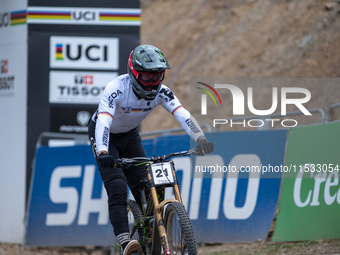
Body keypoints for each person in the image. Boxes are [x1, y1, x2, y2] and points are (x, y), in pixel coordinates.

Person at [88, 44, 214, 255]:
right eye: (146, 78)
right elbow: (103, 122)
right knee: (117, 186)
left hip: (129, 135)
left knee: (144, 186)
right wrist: (102, 151)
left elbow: (182, 114)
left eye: (157, 77)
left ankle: (151, 235)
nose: (151, 83)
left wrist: (200, 137)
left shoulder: (162, 92)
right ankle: (125, 241)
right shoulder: (116, 88)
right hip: (105, 136)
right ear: (133, 73)